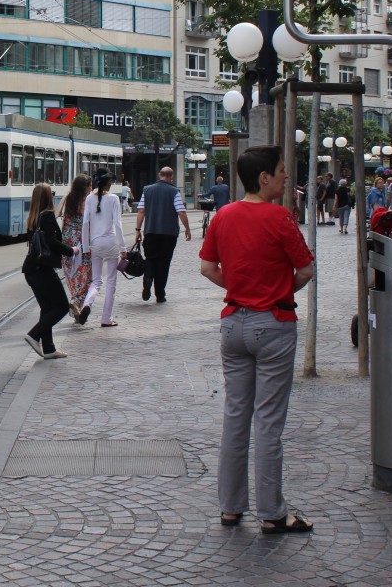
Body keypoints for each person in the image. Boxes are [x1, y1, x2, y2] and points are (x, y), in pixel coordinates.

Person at [199, 145, 316, 534]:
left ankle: (230, 508)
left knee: (236, 416)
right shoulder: (280, 217)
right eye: (282, 171)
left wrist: (238, 285)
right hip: (274, 323)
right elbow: (305, 269)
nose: (286, 177)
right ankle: (272, 513)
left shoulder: (224, 215)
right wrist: (281, 289)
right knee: (268, 421)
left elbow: (206, 266)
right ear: (263, 178)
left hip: (233, 324)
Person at [22, 183, 79, 360]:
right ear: (48, 197)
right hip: (42, 270)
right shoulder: (46, 217)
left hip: (31, 270)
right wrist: (72, 250)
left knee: (47, 308)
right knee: (61, 306)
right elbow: (52, 242)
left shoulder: (32, 218)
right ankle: (34, 334)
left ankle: (49, 348)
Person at [135, 166, 191, 303]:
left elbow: (141, 211)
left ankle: (147, 279)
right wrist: (187, 229)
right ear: (171, 177)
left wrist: (137, 230)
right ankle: (160, 294)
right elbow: (181, 212)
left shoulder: (147, 190)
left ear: (160, 175)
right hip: (168, 234)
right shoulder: (174, 191)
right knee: (164, 263)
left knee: (150, 259)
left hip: (150, 231)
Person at [81, 169, 126, 328]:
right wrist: (123, 247)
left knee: (97, 281)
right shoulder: (114, 199)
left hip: (96, 243)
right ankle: (106, 318)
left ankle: (87, 303)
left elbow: (85, 223)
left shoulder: (89, 199)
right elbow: (118, 225)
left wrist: (86, 247)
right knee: (111, 281)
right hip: (111, 243)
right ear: (108, 183)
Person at [57, 174, 93, 323]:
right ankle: (77, 302)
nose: (92, 188)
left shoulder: (68, 198)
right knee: (87, 277)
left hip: (66, 244)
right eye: (90, 185)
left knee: (72, 277)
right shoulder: (88, 200)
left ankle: (75, 308)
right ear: (85, 187)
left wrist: (65, 198)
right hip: (82, 243)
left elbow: (57, 214)